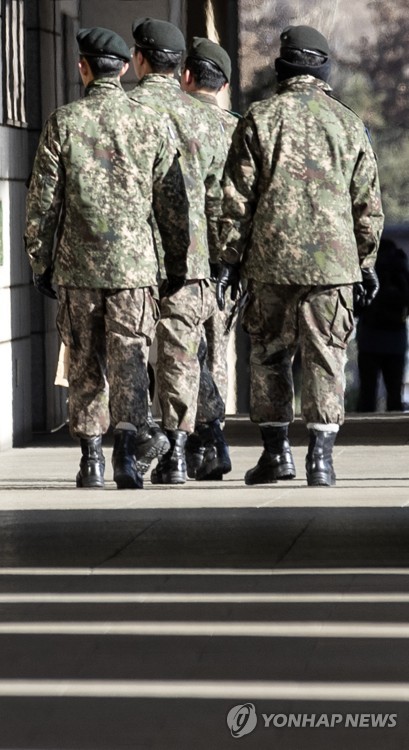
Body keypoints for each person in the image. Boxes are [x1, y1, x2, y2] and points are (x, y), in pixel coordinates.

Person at [217, 24, 384, 486]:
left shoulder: (259, 118)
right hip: (333, 267)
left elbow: (237, 198)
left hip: (270, 265)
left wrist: (228, 259)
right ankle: (321, 459)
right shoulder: (348, 123)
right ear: (323, 68)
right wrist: (366, 262)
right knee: (327, 355)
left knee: (269, 355)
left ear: (281, 68)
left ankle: (277, 455)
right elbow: (367, 202)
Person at [25, 27, 188, 490]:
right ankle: (127, 457)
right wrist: (175, 262)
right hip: (135, 271)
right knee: (130, 359)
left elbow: (43, 202)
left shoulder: (64, 122)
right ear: (124, 68)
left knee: (84, 360)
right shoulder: (150, 122)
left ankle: (91, 460)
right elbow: (172, 202)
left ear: (84, 67)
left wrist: (40, 261)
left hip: (77, 269)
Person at [128, 18, 231, 484]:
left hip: (131, 258)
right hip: (192, 259)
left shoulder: (127, 111)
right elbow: (220, 198)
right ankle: (180, 454)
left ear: (138, 59)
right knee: (183, 355)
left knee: (130, 352)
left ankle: (136, 443)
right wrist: (222, 259)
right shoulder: (206, 119)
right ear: (179, 69)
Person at [180, 36, 241, 480]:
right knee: (216, 350)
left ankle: (193, 441)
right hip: (227, 262)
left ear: (186, 77)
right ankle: (211, 439)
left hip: (181, 259)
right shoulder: (238, 129)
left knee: (180, 351)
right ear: (224, 85)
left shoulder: (172, 120)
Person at [356, 237, 409, 412]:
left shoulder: (369, 266)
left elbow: (358, 302)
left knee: (367, 391)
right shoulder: (400, 266)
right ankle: (395, 425)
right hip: (396, 339)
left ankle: (363, 424)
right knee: (394, 392)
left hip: (369, 337)